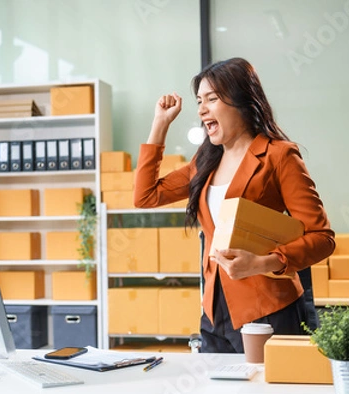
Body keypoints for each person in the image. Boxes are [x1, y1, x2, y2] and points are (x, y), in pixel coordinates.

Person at [133, 57, 335, 353]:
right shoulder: (203, 163)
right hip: (215, 313)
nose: (201, 110)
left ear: (241, 101)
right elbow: (145, 196)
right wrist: (160, 124)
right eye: (199, 101)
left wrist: (263, 262)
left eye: (212, 99)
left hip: (268, 309)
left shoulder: (278, 156)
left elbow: (322, 239)